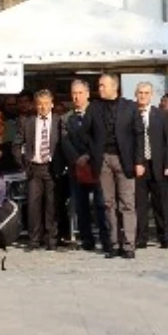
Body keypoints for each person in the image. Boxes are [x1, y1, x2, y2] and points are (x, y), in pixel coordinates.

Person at [87, 73, 146, 258]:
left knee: (127, 203)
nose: (100, 89)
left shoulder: (130, 107)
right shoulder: (94, 107)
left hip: (125, 159)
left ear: (115, 87)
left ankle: (129, 245)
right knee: (107, 203)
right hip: (103, 159)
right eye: (99, 85)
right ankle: (112, 243)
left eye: (103, 85)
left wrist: (139, 161)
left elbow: (139, 135)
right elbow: (86, 132)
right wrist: (93, 152)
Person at [60, 80, 109, 251]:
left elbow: (102, 137)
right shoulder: (66, 118)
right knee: (81, 206)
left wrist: (90, 155)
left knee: (101, 204)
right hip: (77, 168)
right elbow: (64, 141)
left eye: (80, 93)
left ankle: (106, 239)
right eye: (74, 93)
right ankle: (87, 240)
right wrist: (77, 158)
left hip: (96, 165)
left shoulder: (98, 113)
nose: (77, 97)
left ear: (87, 94)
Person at [18, 89, 63, 251]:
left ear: (52, 104)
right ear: (35, 106)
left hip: (52, 167)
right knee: (33, 204)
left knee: (52, 204)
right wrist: (23, 163)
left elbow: (64, 144)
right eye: (40, 104)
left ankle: (51, 239)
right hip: (34, 167)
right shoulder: (27, 121)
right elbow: (17, 144)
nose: (43, 107)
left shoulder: (59, 121)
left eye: (46, 104)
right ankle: (34, 239)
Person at [134, 83, 168, 249]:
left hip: (158, 164)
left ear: (151, 95)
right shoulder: (131, 114)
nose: (143, 96)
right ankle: (141, 237)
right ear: (136, 94)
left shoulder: (161, 115)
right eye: (140, 93)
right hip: (139, 165)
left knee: (161, 203)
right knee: (140, 203)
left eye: (146, 93)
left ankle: (165, 236)